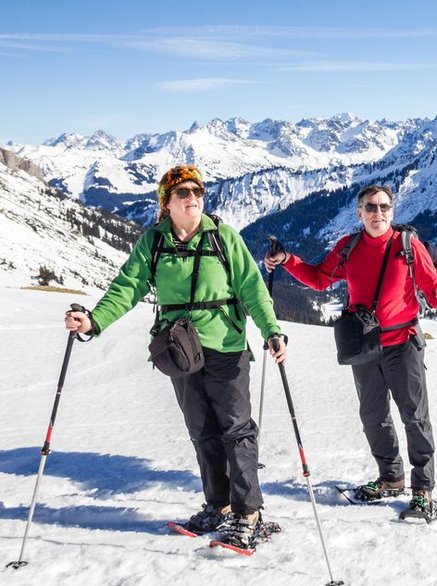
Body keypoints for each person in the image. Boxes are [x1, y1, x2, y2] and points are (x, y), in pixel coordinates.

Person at [64, 164, 286, 548]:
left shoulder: (224, 238)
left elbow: (252, 287)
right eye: (183, 192)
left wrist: (271, 330)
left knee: (236, 428)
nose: (193, 198)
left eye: (198, 191)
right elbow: (127, 287)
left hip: (225, 346)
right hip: (178, 350)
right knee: (202, 429)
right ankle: (220, 507)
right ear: (166, 202)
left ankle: (249, 512)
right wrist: (93, 321)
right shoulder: (153, 242)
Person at [264, 185, 437, 516]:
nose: (377, 213)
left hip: (403, 343)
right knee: (373, 415)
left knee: (414, 416)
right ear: (359, 213)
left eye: (383, 207)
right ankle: (390, 477)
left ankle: (422, 487)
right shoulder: (348, 247)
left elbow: (432, 289)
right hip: (365, 345)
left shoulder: (407, 246)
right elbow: (320, 279)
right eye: (370, 208)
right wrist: (288, 260)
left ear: (392, 211)